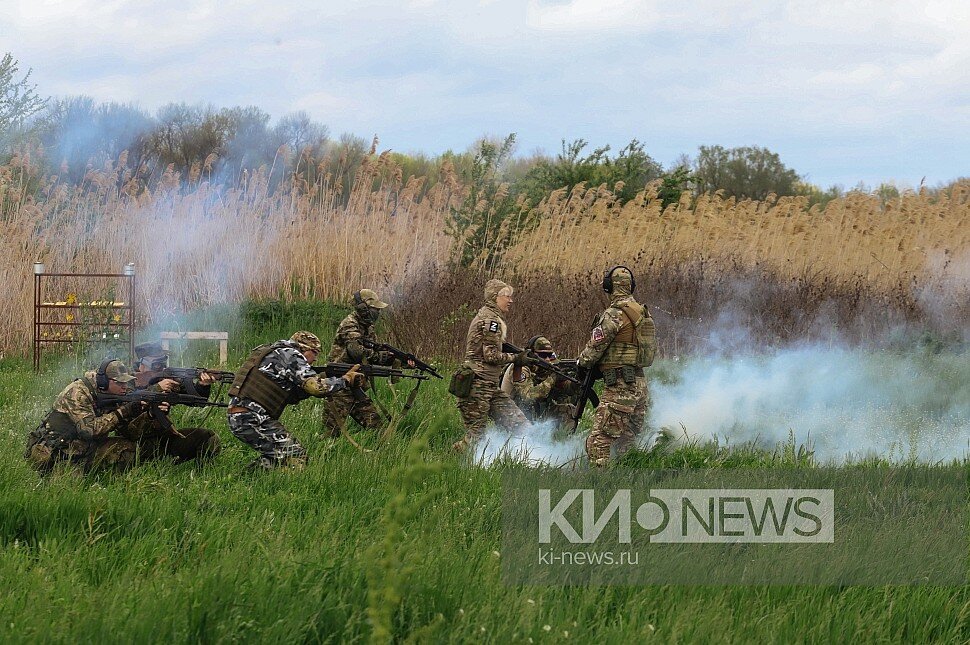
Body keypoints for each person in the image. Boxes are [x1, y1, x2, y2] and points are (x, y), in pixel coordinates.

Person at [227, 331, 363, 471]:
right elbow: (316, 388)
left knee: (278, 454)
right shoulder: (291, 354)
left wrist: (324, 378)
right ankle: (279, 487)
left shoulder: (274, 352)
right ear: (303, 348)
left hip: (243, 416)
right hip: (252, 418)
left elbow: (292, 395)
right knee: (296, 455)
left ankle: (246, 478)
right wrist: (345, 380)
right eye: (314, 352)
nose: (315, 358)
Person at [577, 266, 657, 466]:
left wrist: (582, 362)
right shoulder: (643, 312)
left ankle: (599, 485)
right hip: (639, 385)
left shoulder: (613, 314)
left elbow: (595, 348)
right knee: (626, 440)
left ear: (609, 286)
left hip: (619, 385)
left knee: (598, 440)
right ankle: (627, 480)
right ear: (631, 286)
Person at [25, 359, 145, 474]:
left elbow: (130, 433)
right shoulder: (77, 392)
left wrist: (144, 413)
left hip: (87, 446)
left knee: (126, 447)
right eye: (119, 382)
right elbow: (88, 430)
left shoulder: (115, 393)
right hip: (61, 449)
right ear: (104, 381)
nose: (124, 386)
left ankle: (110, 481)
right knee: (68, 488)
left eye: (125, 382)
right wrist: (121, 413)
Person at [453, 279, 531, 452]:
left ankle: (514, 459)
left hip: (488, 385)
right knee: (475, 439)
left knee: (520, 426)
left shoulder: (491, 317)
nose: (511, 300)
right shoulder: (491, 321)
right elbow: (491, 355)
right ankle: (450, 462)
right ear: (495, 297)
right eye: (507, 296)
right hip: (477, 385)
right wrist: (516, 359)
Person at [116, 341, 221, 465]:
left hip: (162, 438)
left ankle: (201, 475)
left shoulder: (166, 380)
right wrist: (156, 389)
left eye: (163, 363)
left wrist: (203, 385)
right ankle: (151, 463)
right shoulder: (126, 382)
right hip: (134, 442)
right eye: (156, 365)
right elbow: (127, 402)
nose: (161, 368)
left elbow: (195, 399)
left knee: (208, 437)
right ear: (142, 365)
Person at [322, 289, 399, 436]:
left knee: (377, 428)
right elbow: (357, 352)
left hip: (357, 385)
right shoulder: (350, 325)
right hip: (340, 385)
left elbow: (371, 352)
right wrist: (380, 357)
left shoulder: (367, 327)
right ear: (363, 309)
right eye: (374, 309)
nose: (377, 312)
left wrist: (396, 360)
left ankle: (381, 455)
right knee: (331, 433)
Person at [501, 336, 575, 432]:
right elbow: (528, 397)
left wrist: (576, 380)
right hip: (513, 414)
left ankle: (562, 442)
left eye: (550, 355)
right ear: (532, 354)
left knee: (568, 409)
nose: (548, 359)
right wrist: (552, 379)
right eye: (543, 355)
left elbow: (567, 389)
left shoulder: (542, 368)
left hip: (534, 413)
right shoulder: (520, 368)